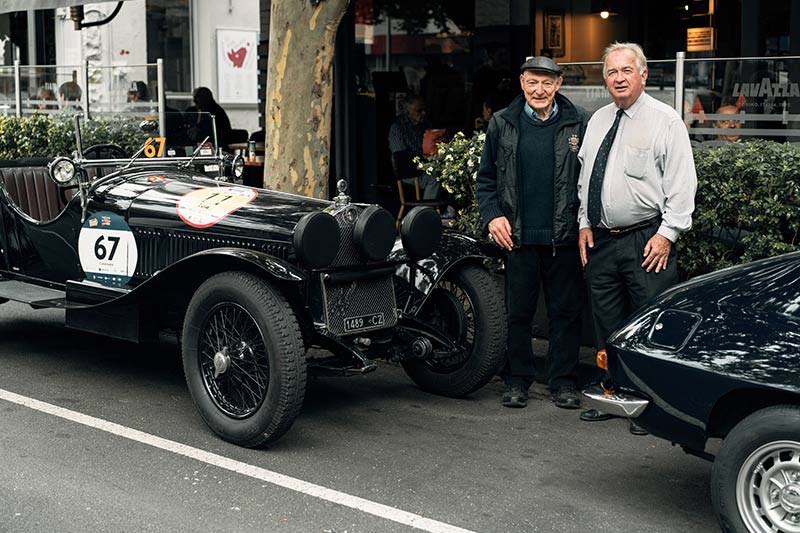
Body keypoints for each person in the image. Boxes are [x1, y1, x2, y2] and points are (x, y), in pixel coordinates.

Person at [576, 42, 697, 434]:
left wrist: (667, 234)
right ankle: (613, 392)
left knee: (650, 323)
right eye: (612, 72)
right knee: (607, 324)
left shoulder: (665, 121)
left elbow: (682, 184)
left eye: (627, 70)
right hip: (601, 241)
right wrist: (583, 223)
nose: (619, 78)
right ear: (605, 78)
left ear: (643, 75)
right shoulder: (597, 121)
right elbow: (585, 182)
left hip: (647, 239)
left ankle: (652, 406)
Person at [476, 56, 590, 409]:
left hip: (564, 236)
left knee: (566, 313)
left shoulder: (578, 122)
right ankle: (517, 380)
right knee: (518, 313)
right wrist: (493, 215)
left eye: (547, 83)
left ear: (558, 85)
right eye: (532, 82)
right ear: (521, 82)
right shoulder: (502, 123)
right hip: (519, 236)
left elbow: (591, 179)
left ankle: (564, 382)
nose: (539, 90)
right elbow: (486, 180)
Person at [387, 95, 442, 200]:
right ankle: (425, 212)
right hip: (408, 172)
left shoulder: (424, 125)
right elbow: (401, 157)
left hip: (425, 167)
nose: (423, 113)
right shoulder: (398, 128)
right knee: (435, 178)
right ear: (408, 112)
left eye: (424, 110)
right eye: (419, 111)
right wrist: (424, 160)